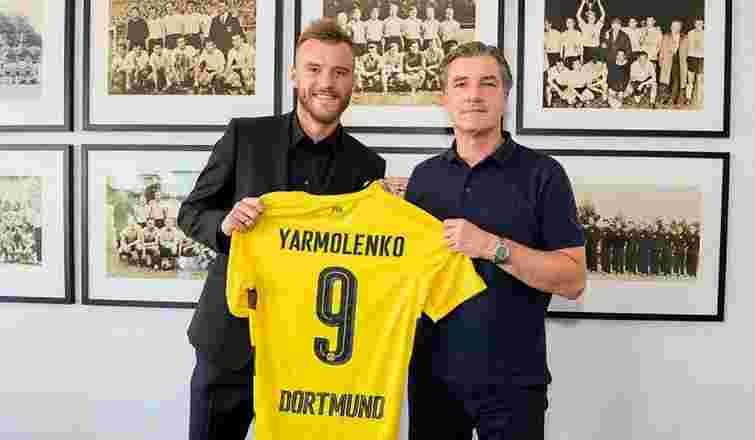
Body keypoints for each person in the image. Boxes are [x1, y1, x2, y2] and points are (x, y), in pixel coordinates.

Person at [177, 18, 386, 440]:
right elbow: (192, 212)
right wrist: (226, 224)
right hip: (230, 342)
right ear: (294, 75)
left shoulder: (368, 166)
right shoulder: (244, 136)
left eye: (339, 72)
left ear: (353, 82)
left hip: (312, 356)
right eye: (314, 69)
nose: (326, 82)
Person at [406, 41, 586, 440]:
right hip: (432, 380)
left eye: (487, 83)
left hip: (514, 384)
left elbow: (573, 280)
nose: (473, 94)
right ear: (444, 98)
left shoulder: (544, 175)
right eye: (461, 84)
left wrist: (491, 246)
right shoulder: (423, 178)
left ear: (505, 95)